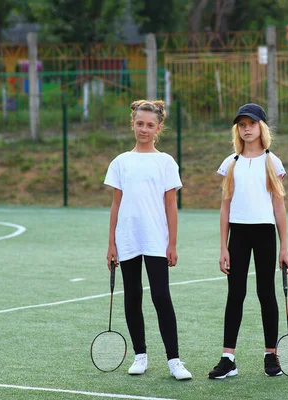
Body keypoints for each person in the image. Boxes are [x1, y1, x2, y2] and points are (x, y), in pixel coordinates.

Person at [104, 99, 192, 381]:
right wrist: (111, 244)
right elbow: (116, 205)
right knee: (132, 296)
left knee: (161, 297)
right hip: (127, 238)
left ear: (158, 128)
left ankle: (174, 360)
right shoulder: (120, 162)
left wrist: (172, 243)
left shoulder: (166, 162)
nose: (144, 129)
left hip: (156, 239)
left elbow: (171, 206)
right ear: (133, 124)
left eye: (150, 125)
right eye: (139, 124)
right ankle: (139, 355)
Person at [208, 103, 288, 379]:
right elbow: (225, 208)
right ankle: (228, 358)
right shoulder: (230, 163)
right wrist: (223, 247)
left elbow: (279, 207)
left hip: (265, 234)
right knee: (236, 294)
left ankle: (271, 356)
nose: (246, 129)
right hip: (239, 236)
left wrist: (285, 248)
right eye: (242, 125)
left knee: (266, 294)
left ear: (261, 127)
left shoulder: (272, 162)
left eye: (251, 124)